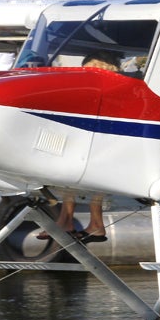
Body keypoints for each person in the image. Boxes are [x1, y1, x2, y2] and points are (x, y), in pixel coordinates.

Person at [36, 50, 118, 244]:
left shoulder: (103, 90)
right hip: (98, 144)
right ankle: (73, 222)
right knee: (71, 175)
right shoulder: (107, 90)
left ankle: (78, 223)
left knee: (75, 173)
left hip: (101, 146)